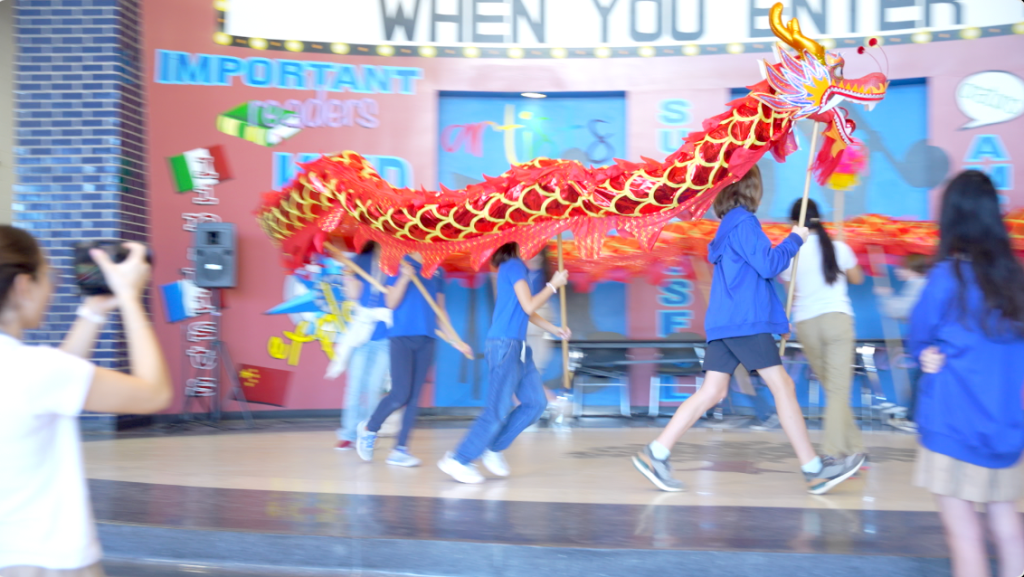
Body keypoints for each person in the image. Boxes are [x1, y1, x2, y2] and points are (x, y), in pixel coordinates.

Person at [631, 165, 865, 494]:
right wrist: (795, 239)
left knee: (713, 392)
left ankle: (656, 453)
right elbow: (769, 265)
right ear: (750, 189)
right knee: (782, 386)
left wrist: (776, 323)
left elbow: (750, 280)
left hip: (726, 322)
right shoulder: (744, 222)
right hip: (743, 323)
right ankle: (814, 469)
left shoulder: (727, 228)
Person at [0, 227, 171, 577]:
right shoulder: (35, 370)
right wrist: (129, 299)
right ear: (22, 286)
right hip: (48, 563)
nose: (53, 288)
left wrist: (93, 312)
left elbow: (53, 390)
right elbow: (155, 392)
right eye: (49, 275)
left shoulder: (33, 372)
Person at [908, 170, 1024, 577]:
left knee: (965, 536)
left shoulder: (947, 278)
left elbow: (918, 337)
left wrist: (925, 355)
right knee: (1008, 527)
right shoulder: (1016, 282)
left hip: (954, 424)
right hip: (1007, 428)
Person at [439, 243, 570, 483]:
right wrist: (554, 286)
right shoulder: (514, 266)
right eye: (535, 243)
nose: (538, 248)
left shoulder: (517, 269)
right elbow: (529, 305)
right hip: (504, 346)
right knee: (497, 410)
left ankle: (493, 447)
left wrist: (555, 329)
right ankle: (458, 459)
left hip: (518, 348)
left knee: (535, 403)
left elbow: (525, 311)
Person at [357, 253, 471, 467]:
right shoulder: (399, 262)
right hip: (401, 336)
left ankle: (400, 449)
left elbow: (440, 311)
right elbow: (390, 302)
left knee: (414, 398)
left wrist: (456, 340)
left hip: (427, 338)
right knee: (400, 394)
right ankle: (369, 428)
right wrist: (404, 277)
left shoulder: (437, 269)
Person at [780, 199, 866, 459]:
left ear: (794, 223)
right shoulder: (838, 248)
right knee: (838, 390)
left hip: (807, 324)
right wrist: (842, 250)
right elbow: (857, 279)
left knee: (834, 389)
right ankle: (831, 453)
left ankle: (856, 450)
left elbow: (791, 295)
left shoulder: (791, 253)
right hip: (837, 321)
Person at [331, 242, 391, 451]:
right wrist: (347, 270)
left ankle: (367, 432)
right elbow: (353, 294)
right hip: (361, 333)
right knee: (354, 386)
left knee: (375, 388)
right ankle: (348, 433)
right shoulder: (359, 260)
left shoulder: (397, 262)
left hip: (385, 335)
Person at [874, 253, 929, 431]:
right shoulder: (922, 284)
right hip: (926, 340)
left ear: (911, 268)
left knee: (921, 380)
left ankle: (913, 418)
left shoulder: (918, 285)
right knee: (921, 379)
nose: (897, 270)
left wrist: (885, 296)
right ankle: (914, 416)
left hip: (927, 341)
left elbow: (901, 310)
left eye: (901, 267)